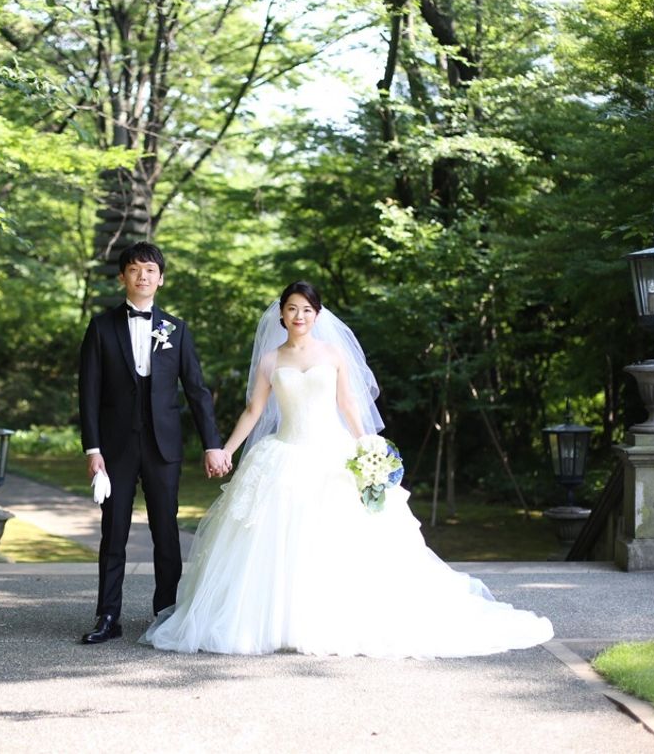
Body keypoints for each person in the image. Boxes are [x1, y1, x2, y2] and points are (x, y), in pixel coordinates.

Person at [142, 281, 553, 658]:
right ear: (281, 314)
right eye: (292, 308)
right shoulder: (270, 360)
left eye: (306, 309)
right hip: (283, 454)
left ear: (317, 315)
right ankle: (277, 622)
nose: (299, 316)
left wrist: (369, 446)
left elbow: (349, 404)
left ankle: (335, 619)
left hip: (333, 457)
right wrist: (226, 450)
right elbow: (254, 411)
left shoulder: (332, 354)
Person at [77, 242, 228, 645]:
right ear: (122, 277)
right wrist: (93, 449)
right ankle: (108, 615)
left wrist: (212, 444)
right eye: (134, 269)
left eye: (149, 270)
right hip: (115, 448)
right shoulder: (101, 327)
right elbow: (88, 392)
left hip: (164, 446)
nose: (142, 276)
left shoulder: (176, 329)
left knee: (166, 532)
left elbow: (196, 391)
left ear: (160, 278)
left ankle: (166, 614)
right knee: (114, 533)